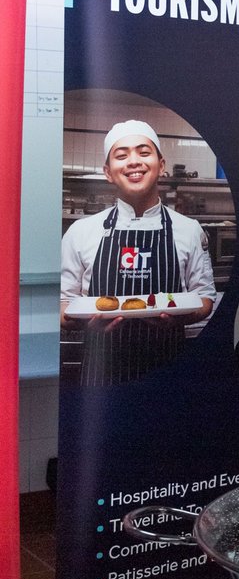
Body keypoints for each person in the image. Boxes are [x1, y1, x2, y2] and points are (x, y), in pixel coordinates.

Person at [61, 120, 216, 385]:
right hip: (101, 382)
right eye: (121, 156)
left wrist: (180, 318)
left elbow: (205, 298)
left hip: (168, 374)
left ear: (161, 166)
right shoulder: (81, 231)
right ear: (108, 172)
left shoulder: (189, 229)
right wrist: (83, 323)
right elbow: (63, 304)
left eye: (144, 152)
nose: (134, 161)